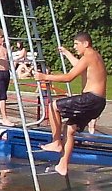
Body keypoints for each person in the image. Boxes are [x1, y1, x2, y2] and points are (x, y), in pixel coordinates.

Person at [35, 32, 107, 177]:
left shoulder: (88, 56)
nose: (74, 47)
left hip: (90, 99)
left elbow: (69, 77)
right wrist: (66, 52)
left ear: (85, 44)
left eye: (76, 44)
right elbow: (78, 66)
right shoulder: (94, 56)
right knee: (70, 130)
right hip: (99, 103)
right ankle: (63, 165)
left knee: (53, 106)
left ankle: (56, 142)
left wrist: (45, 77)